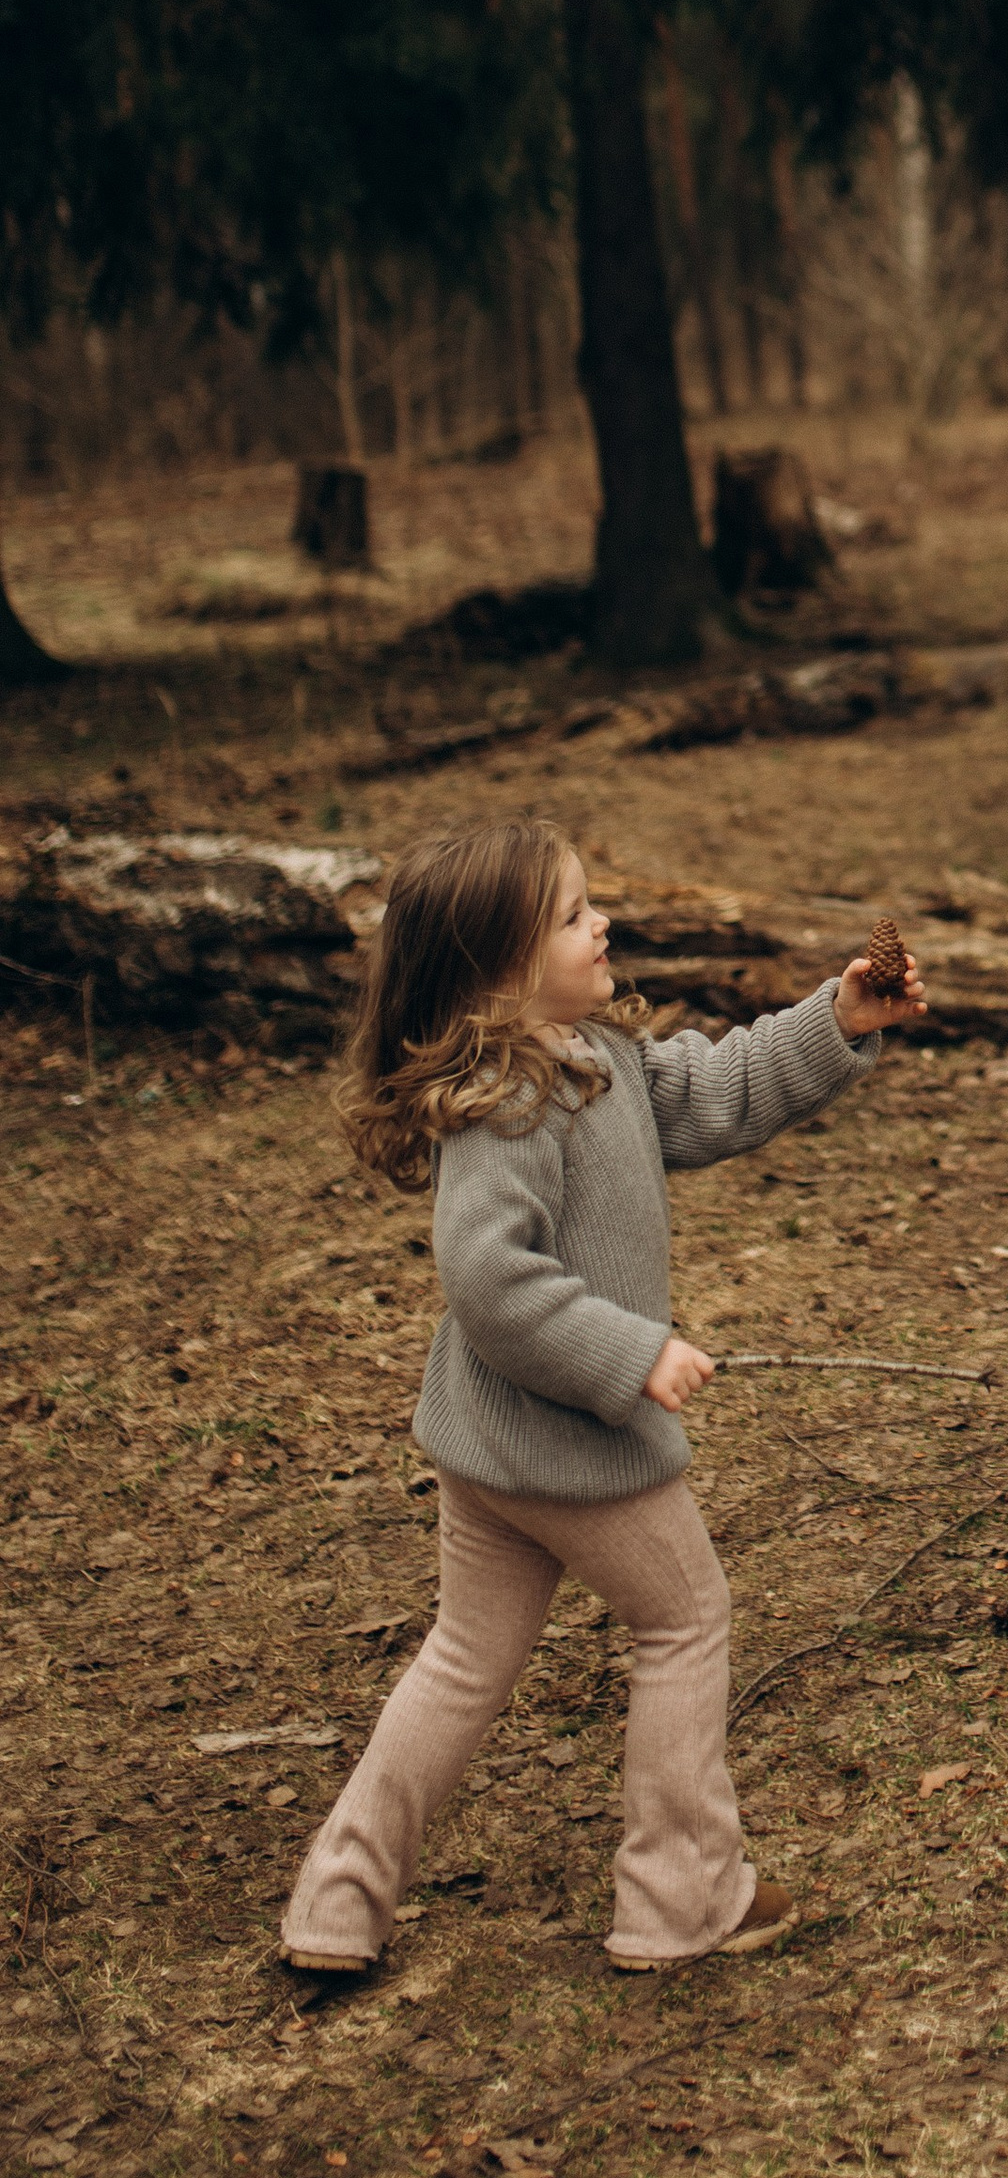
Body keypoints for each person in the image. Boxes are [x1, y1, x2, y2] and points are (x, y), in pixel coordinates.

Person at [282, 817, 924, 1972]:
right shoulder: (506, 1101)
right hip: (562, 1442)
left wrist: (836, 1018)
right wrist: (627, 1354)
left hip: (491, 1447)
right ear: (499, 964)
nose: (603, 923)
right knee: (684, 1620)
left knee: (466, 1657)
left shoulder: (596, 1058)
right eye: (575, 914)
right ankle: (681, 1898)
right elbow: (488, 1276)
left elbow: (716, 1083)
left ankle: (338, 1903)